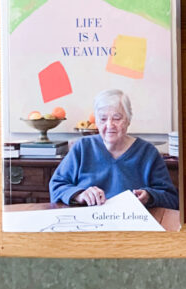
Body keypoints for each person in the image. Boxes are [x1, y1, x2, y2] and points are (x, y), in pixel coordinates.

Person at [49, 89, 178, 209]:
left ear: (128, 120)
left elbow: (171, 198)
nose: (109, 125)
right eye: (103, 119)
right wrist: (79, 194)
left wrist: (149, 196)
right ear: (97, 122)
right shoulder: (82, 148)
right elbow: (56, 186)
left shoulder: (148, 153)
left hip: (131, 226)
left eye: (117, 118)